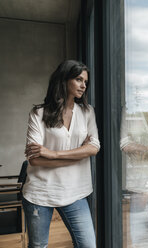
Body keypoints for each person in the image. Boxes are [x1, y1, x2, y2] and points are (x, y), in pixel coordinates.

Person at [22, 60, 100, 248]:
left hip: (76, 192)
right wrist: (78, 154)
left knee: (88, 245)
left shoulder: (87, 112)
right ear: (64, 80)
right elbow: (34, 160)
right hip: (40, 193)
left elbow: (94, 147)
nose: (83, 85)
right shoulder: (38, 113)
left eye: (85, 82)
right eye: (78, 79)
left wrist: (52, 154)